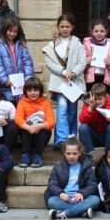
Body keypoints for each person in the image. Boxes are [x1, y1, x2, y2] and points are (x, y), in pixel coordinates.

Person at [43, 14, 87, 148]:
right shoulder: (51, 45)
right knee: (62, 108)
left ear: (72, 27)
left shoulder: (78, 43)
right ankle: (61, 138)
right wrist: (63, 72)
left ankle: (72, 136)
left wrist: (74, 72)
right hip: (60, 83)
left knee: (72, 110)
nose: (64, 29)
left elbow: (82, 61)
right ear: (58, 27)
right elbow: (49, 62)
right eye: (62, 26)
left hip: (73, 82)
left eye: (67, 26)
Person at [45, 137, 99, 220]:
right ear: (64, 153)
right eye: (68, 153)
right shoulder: (58, 167)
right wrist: (60, 193)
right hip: (64, 199)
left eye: (74, 153)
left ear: (80, 153)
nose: (71, 156)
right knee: (51, 201)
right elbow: (52, 184)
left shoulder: (86, 166)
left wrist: (82, 193)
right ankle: (82, 211)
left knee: (95, 199)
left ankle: (64, 214)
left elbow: (92, 185)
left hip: (81, 198)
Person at [0, 17, 34, 104]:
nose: (12, 34)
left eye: (15, 32)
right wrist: (4, 79)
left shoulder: (21, 45)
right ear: (5, 30)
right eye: (10, 31)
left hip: (21, 84)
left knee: (22, 107)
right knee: (9, 108)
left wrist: (28, 79)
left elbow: (28, 62)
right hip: (7, 85)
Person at [15, 77, 55, 167]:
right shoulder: (21, 103)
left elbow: (51, 121)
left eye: (35, 90)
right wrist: (28, 127)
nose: (32, 93)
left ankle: (37, 156)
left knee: (43, 127)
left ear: (40, 91)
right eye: (29, 90)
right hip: (26, 136)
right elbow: (18, 118)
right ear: (26, 91)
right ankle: (25, 155)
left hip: (41, 136)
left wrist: (39, 126)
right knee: (25, 125)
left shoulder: (46, 103)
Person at [78, 83, 110, 156]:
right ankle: (90, 154)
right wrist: (90, 108)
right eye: (95, 99)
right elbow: (82, 121)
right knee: (83, 127)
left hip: (107, 137)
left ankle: (108, 154)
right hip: (93, 136)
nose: (97, 101)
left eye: (100, 99)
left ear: (106, 97)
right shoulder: (88, 104)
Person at [83, 18, 110, 100]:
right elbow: (80, 61)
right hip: (91, 78)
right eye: (96, 31)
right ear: (92, 31)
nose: (99, 33)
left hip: (105, 79)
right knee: (91, 100)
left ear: (106, 31)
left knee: (103, 101)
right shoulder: (86, 44)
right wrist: (86, 61)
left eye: (101, 31)